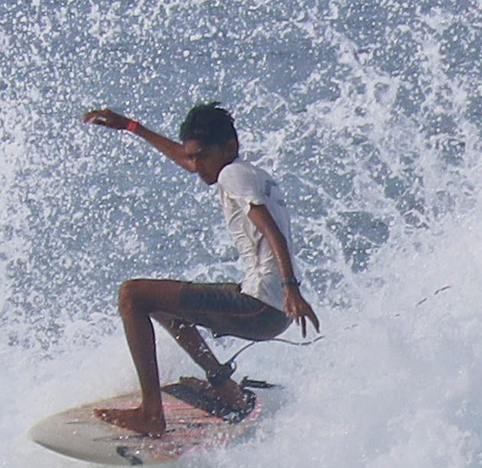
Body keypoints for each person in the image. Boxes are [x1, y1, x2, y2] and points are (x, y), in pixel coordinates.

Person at [79, 102, 321, 435]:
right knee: (161, 304)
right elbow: (185, 157)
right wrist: (131, 126)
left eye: (202, 156)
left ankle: (152, 414)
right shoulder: (249, 173)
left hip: (260, 307)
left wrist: (291, 286)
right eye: (194, 157)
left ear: (229, 148)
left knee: (132, 295)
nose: (197, 166)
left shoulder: (231, 174)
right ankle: (224, 387)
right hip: (268, 305)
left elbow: (270, 229)